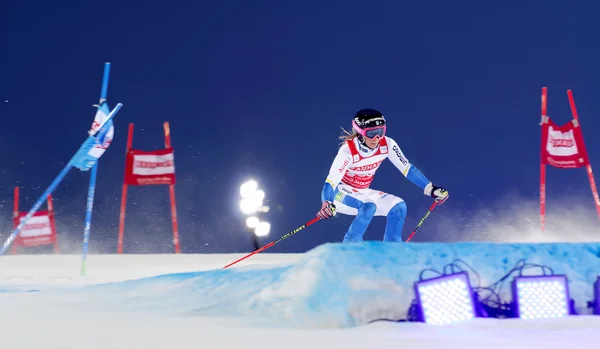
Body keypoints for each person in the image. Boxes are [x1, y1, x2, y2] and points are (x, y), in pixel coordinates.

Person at [316, 108, 448, 242]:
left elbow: (407, 168)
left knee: (398, 206)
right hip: (340, 194)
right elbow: (331, 182)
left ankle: (391, 250)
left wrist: (430, 189)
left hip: (362, 192)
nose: (376, 138)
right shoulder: (348, 151)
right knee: (368, 206)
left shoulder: (388, 144)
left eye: (380, 132)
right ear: (360, 133)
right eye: (371, 133)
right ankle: (350, 248)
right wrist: (326, 202)